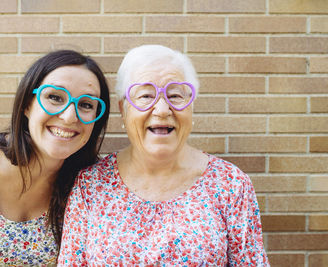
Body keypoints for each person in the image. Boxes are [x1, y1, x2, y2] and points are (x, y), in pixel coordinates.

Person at [58, 45, 269, 266]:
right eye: (146, 95)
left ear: (191, 107)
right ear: (123, 109)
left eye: (175, 95)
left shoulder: (231, 185)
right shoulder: (90, 185)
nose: (161, 109)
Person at [0, 49, 110, 266]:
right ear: (26, 104)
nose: (70, 116)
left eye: (86, 105)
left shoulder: (94, 187)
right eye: (55, 97)